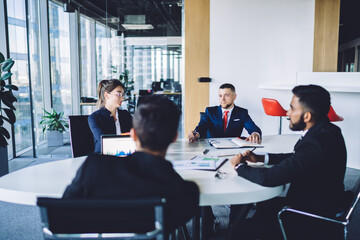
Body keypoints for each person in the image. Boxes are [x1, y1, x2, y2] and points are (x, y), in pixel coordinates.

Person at [63, 95, 199, 232]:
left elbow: (65, 210)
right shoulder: (184, 191)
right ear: (174, 138)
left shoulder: (94, 166)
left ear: (133, 135)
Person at [229, 85, 347, 240]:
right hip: (321, 201)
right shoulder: (326, 130)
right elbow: (297, 158)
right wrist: (261, 158)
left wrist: (239, 166)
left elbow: (270, 178)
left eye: (292, 108)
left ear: (307, 116)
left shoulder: (315, 143)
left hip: (309, 216)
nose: (287, 112)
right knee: (265, 204)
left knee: (237, 231)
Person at [188, 83, 261, 143]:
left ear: (234, 97)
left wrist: (255, 134)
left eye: (226, 95)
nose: (222, 99)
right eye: (220, 96)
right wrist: (196, 134)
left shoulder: (242, 113)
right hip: (211, 148)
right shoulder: (210, 111)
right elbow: (202, 126)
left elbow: (253, 128)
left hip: (232, 149)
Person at [88, 79, 133, 153]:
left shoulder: (125, 115)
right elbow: (107, 143)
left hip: (125, 157)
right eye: (118, 94)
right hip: (105, 159)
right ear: (106, 95)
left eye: (122, 95)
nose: (122, 98)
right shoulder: (94, 118)